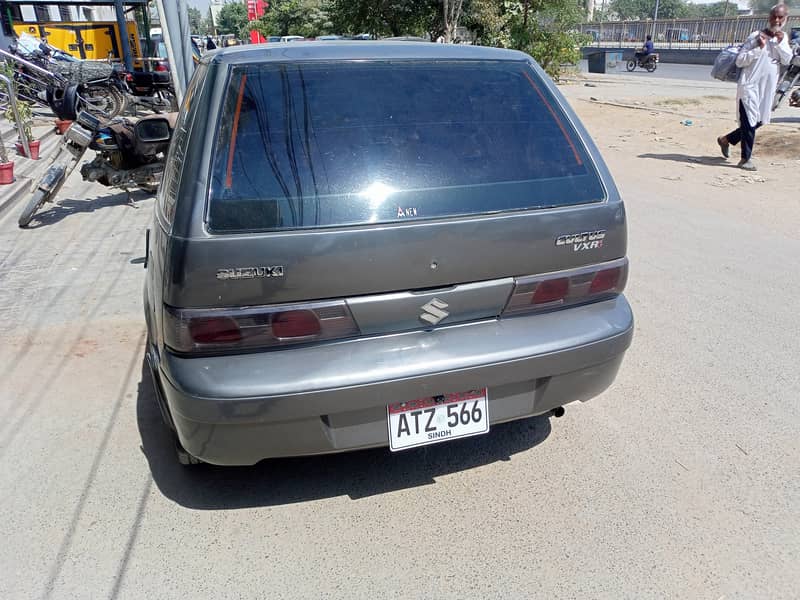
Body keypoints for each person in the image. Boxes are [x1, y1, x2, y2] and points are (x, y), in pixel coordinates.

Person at [716, 4, 792, 171]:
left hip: (767, 89)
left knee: (759, 120)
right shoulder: (755, 36)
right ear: (769, 17)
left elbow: (787, 60)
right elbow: (740, 60)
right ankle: (745, 159)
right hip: (749, 87)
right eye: (774, 16)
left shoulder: (783, 37)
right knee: (748, 121)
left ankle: (726, 139)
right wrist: (758, 47)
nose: (777, 20)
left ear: (786, 19)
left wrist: (780, 44)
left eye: (780, 17)